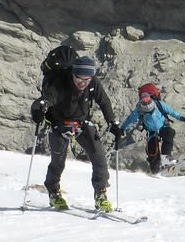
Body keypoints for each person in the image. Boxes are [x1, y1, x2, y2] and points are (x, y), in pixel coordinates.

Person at [30, 54, 121, 212]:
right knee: (58, 162)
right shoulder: (60, 84)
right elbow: (47, 99)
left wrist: (112, 122)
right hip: (60, 125)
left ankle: (101, 194)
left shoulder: (93, 83)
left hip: (82, 124)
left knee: (99, 157)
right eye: (79, 79)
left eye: (87, 80)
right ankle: (54, 193)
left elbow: (104, 101)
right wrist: (39, 108)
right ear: (73, 74)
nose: (83, 83)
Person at [119, 83, 185, 173]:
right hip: (151, 132)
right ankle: (155, 170)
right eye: (143, 98)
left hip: (163, 127)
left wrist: (182, 118)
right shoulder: (139, 110)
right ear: (141, 99)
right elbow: (130, 119)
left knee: (169, 133)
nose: (146, 99)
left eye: (147, 97)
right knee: (152, 152)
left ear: (150, 97)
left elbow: (172, 112)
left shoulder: (158, 104)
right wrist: (122, 129)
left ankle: (166, 158)